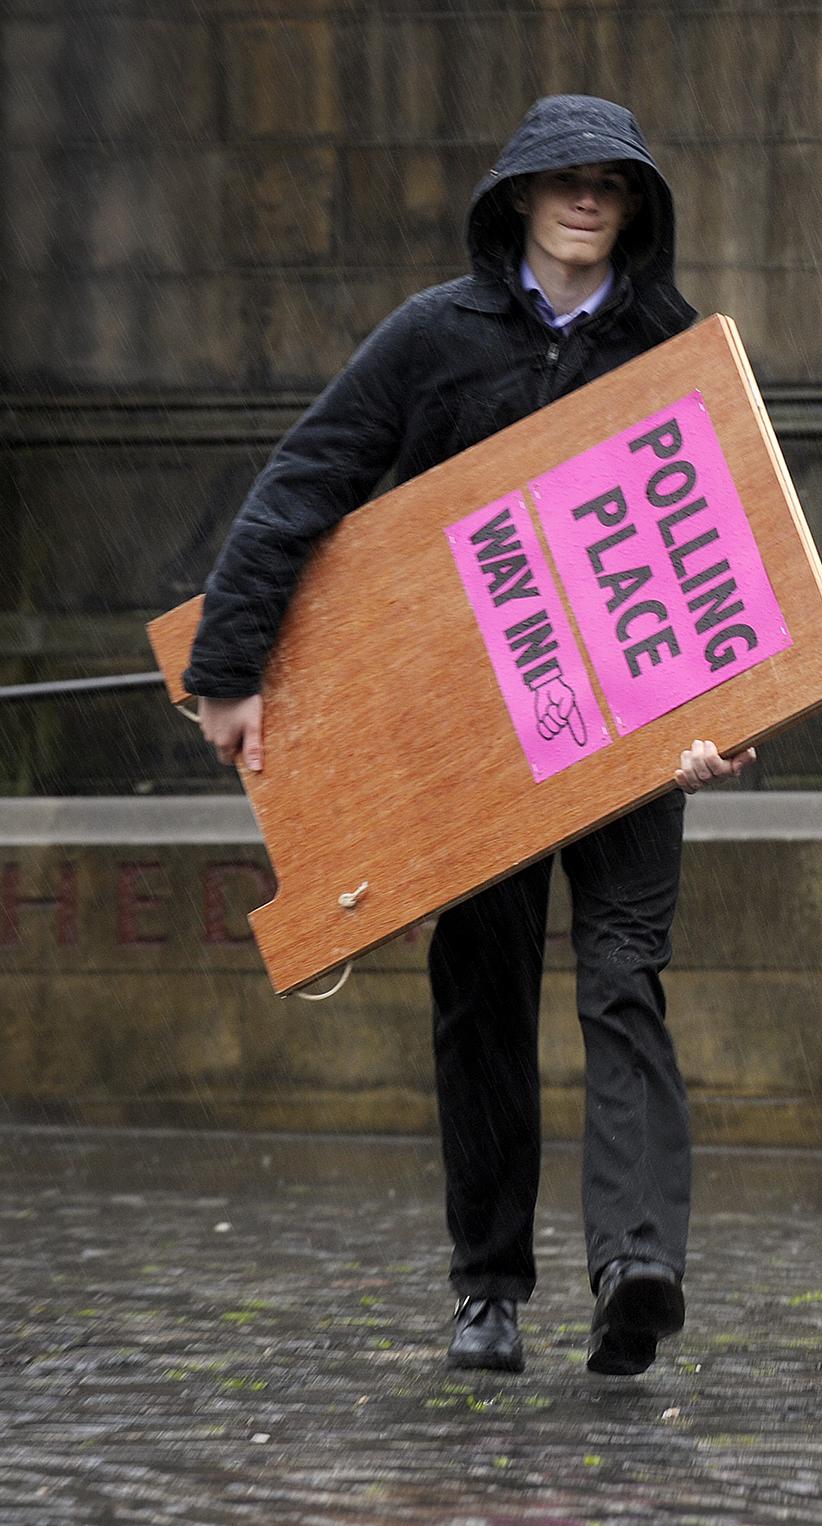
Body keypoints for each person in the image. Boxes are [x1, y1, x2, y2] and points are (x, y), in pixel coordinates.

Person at [185, 96, 756, 1377]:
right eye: (565, 178)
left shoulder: (674, 346)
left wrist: (730, 723)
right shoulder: (434, 338)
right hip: (473, 746)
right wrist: (231, 667)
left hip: (635, 739)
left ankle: (636, 1269)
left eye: (612, 181)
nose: (587, 198)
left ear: (636, 205)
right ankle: (488, 1287)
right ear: (517, 195)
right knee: (482, 999)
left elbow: (728, 555)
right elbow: (305, 481)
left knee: (624, 983)